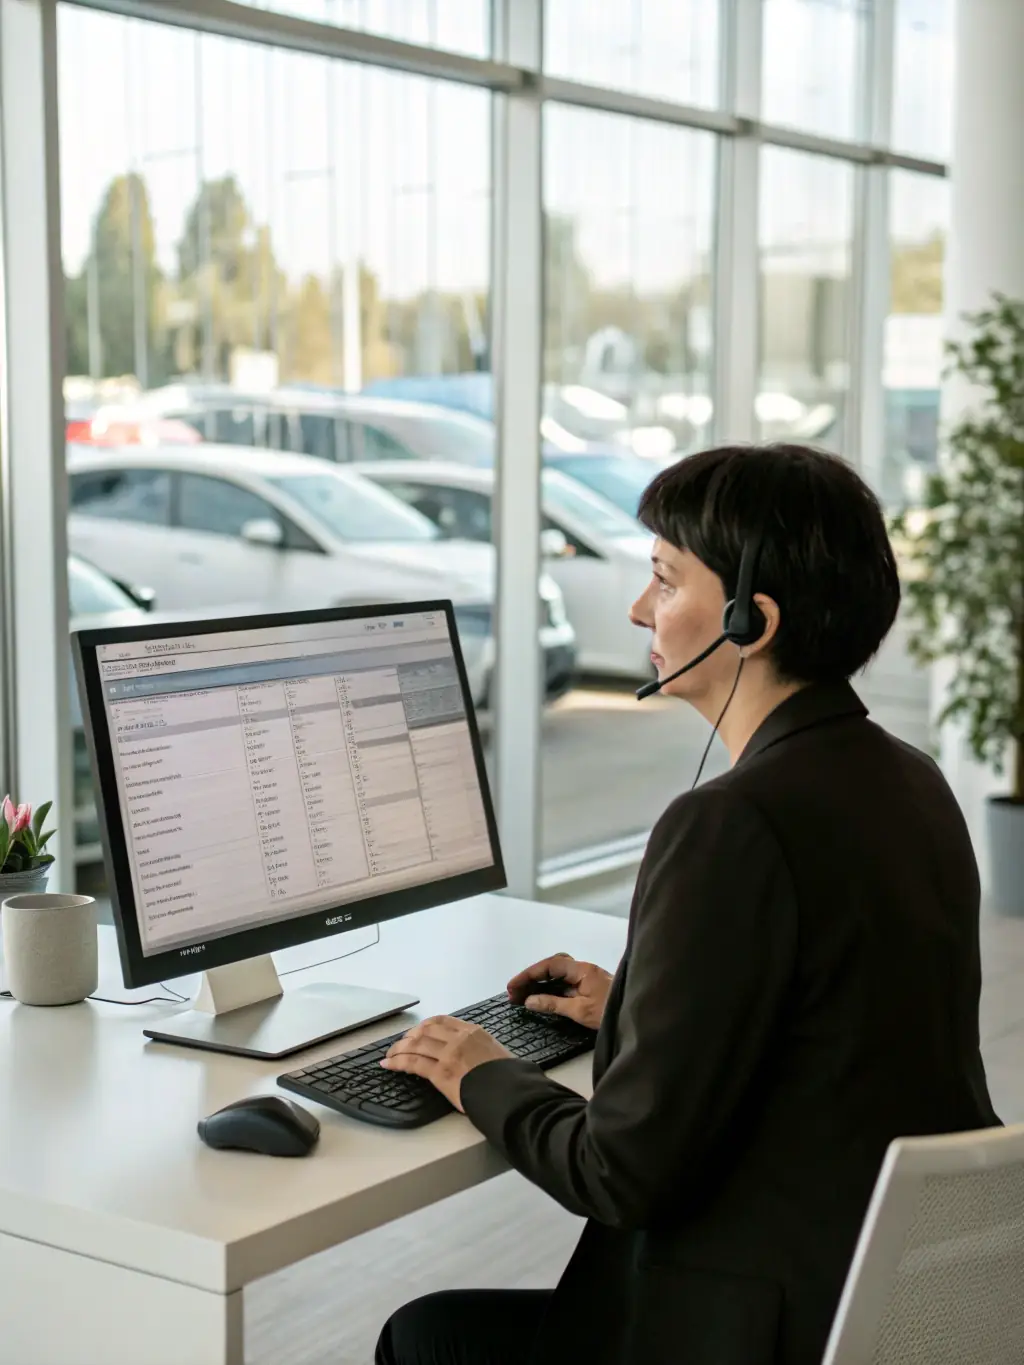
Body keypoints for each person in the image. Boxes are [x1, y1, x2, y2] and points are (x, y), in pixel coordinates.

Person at [375, 442, 1000, 1365]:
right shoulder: (913, 780)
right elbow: (842, 1027)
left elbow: (618, 1172)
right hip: (892, 1304)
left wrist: (479, 1069)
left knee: (426, 1338)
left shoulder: (730, 824)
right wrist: (640, 1004)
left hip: (755, 1327)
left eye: (665, 581)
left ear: (752, 621)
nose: (639, 608)